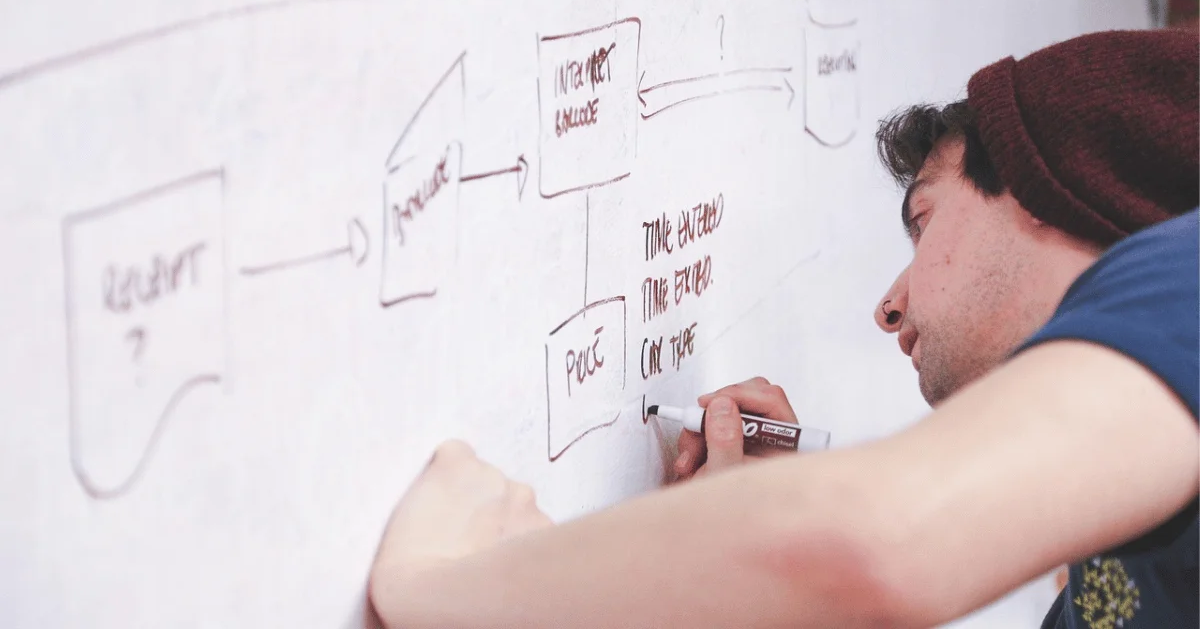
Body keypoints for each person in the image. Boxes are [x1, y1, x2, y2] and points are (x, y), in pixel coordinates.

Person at [366, 30, 1199, 628]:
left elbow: (873, 546)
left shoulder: (1187, 279)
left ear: (1045, 186)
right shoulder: (1116, 556)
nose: (889, 304)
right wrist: (737, 549)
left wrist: (435, 590)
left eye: (924, 220)